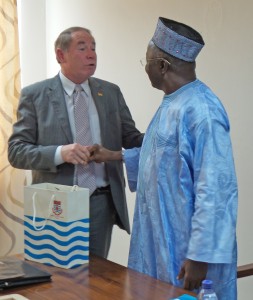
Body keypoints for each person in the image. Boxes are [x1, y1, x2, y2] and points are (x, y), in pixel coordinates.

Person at [89, 17, 238, 299]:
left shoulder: (202, 110)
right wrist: (114, 155)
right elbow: (160, 155)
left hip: (188, 251)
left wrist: (200, 255)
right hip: (159, 239)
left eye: (145, 62)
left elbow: (216, 188)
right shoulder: (172, 102)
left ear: (161, 66)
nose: (144, 68)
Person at [8, 26, 144, 258]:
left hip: (101, 201)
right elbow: (17, 152)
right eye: (82, 48)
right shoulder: (35, 95)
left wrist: (164, 133)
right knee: (57, 278)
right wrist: (61, 153)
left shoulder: (110, 92)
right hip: (56, 202)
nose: (91, 54)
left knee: (97, 277)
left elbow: (132, 139)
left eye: (93, 48)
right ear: (61, 56)